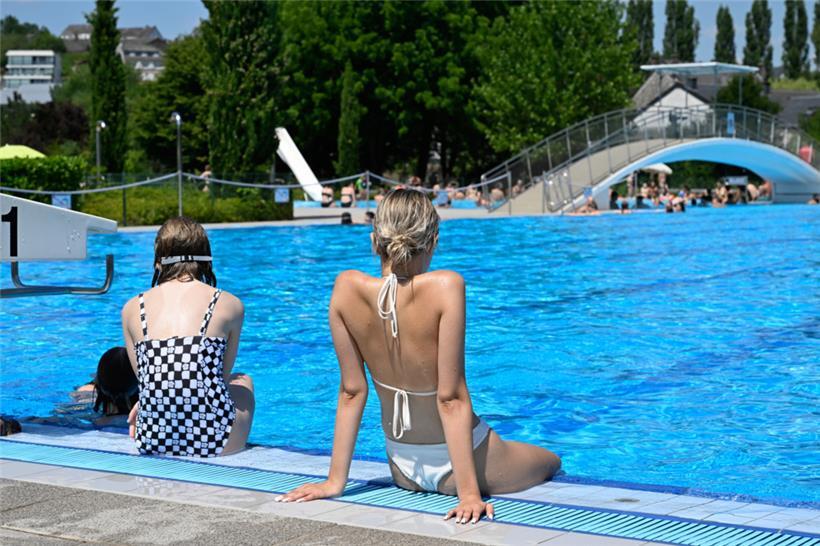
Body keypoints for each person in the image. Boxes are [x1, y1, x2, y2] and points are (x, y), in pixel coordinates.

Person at [279, 189, 561, 522]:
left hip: (402, 467)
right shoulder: (446, 286)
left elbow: (352, 393)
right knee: (551, 461)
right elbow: (450, 399)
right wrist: (469, 494)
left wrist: (334, 482)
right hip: (464, 467)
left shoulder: (345, 287)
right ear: (433, 241)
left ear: (375, 240)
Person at [121, 217, 254, 457]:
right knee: (243, 382)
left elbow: (145, 378)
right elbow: (220, 378)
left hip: (153, 437)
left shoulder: (132, 308)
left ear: (158, 260)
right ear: (206, 257)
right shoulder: (230, 304)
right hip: (215, 440)